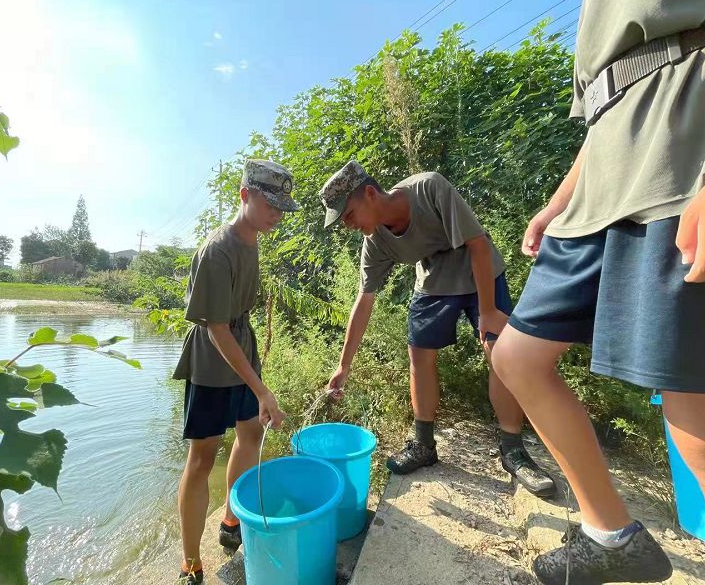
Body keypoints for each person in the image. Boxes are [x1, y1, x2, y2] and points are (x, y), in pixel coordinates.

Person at [491, 0, 705, 583]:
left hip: (690, 155)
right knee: (518, 357)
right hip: (600, 191)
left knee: (704, 434)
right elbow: (609, 102)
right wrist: (555, 204)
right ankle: (612, 537)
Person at [321, 160, 556, 498]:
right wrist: (343, 366)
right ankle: (423, 444)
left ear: (370, 194)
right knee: (419, 354)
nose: (347, 225)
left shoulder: (429, 188)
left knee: (500, 353)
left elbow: (476, 244)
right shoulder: (376, 242)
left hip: (481, 272)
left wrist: (488, 311)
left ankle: (512, 449)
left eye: (348, 214)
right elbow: (364, 300)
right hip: (433, 281)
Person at [172, 159, 298, 584]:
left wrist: (256, 381)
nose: (277, 215)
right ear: (245, 196)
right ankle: (190, 562)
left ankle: (230, 519)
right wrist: (262, 389)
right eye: (271, 205)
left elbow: (237, 320)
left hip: (241, 347)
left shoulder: (254, 238)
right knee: (202, 456)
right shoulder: (217, 250)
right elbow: (216, 329)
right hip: (213, 359)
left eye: (282, 207)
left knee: (251, 434)